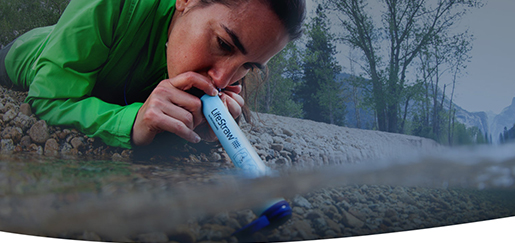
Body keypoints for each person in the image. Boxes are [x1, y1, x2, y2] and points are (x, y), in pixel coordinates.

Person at [0, 0, 305, 149]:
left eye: (248, 67)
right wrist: (132, 123)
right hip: (25, 51)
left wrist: (203, 129)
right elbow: (48, 99)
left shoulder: (220, 79)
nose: (222, 79)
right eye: (223, 44)